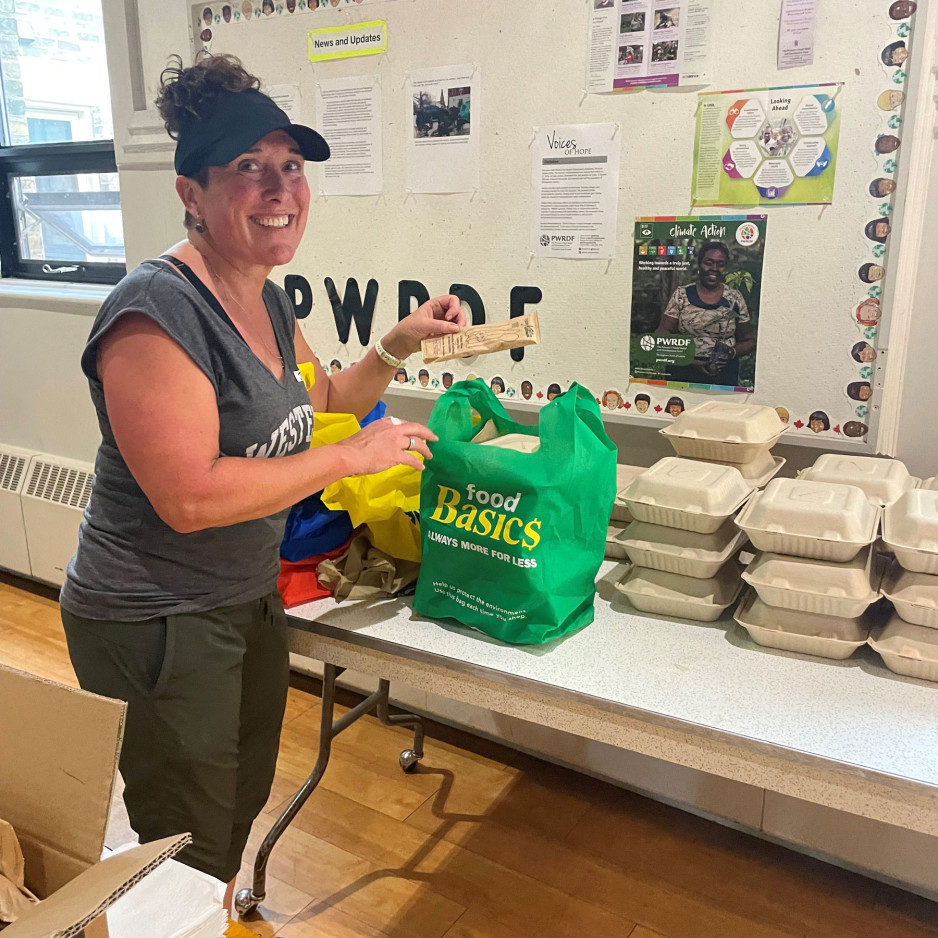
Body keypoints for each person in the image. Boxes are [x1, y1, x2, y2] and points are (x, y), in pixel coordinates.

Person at [58, 54, 464, 912]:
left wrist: (399, 342)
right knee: (182, 833)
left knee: (235, 804)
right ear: (191, 192)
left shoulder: (267, 300)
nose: (279, 187)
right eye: (247, 167)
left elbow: (324, 400)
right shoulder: (153, 313)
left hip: (240, 596)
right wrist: (351, 459)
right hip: (153, 614)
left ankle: (212, 906)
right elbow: (191, 496)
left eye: (290, 166)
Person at [656, 240, 755, 387]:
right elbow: (663, 332)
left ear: (725, 268)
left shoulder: (734, 297)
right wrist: (689, 359)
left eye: (720, 264)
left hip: (723, 372)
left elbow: (749, 341)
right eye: (708, 262)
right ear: (699, 264)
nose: (714, 268)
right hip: (684, 369)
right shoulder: (682, 294)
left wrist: (731, 353)